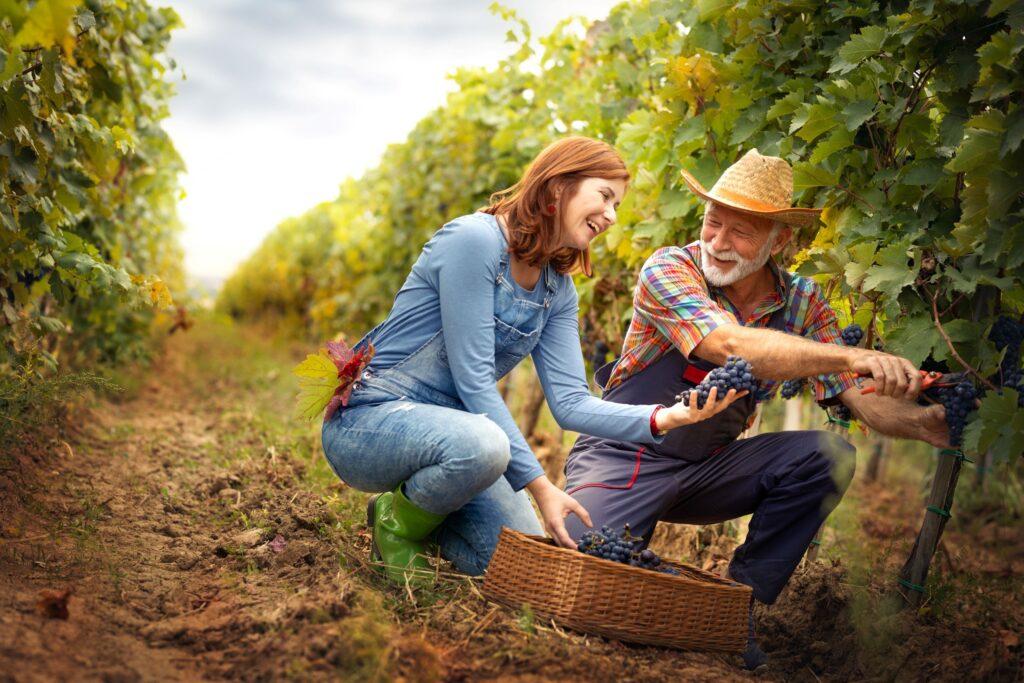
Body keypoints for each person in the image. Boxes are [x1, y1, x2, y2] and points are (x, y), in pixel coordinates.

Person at [561, 148, 951, 668]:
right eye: (712, 223)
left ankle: (733, 609)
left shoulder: (803, 304)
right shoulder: (671, 268)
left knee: (827, 455)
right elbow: (725, 344)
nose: (718, 243)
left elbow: (859, 400)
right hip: (624, 452)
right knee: (589, 570)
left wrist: (926, 424)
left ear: (779, 241)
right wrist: (854, 354)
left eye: (739, 232)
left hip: (708, 466)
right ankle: (659, 591)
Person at [320, 136, 746, 585]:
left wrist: (667, 417)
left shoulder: (556, 292)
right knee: (486, 446)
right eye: (604, 195)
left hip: (457, 439)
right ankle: (398, 527)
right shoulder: (474, 241)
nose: (612, 216)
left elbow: (570, 404)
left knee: (518, 573)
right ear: (559, 185)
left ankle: (418, 506)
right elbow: (474, 382)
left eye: (617, 204)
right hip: (370, 423)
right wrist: (541, 487)